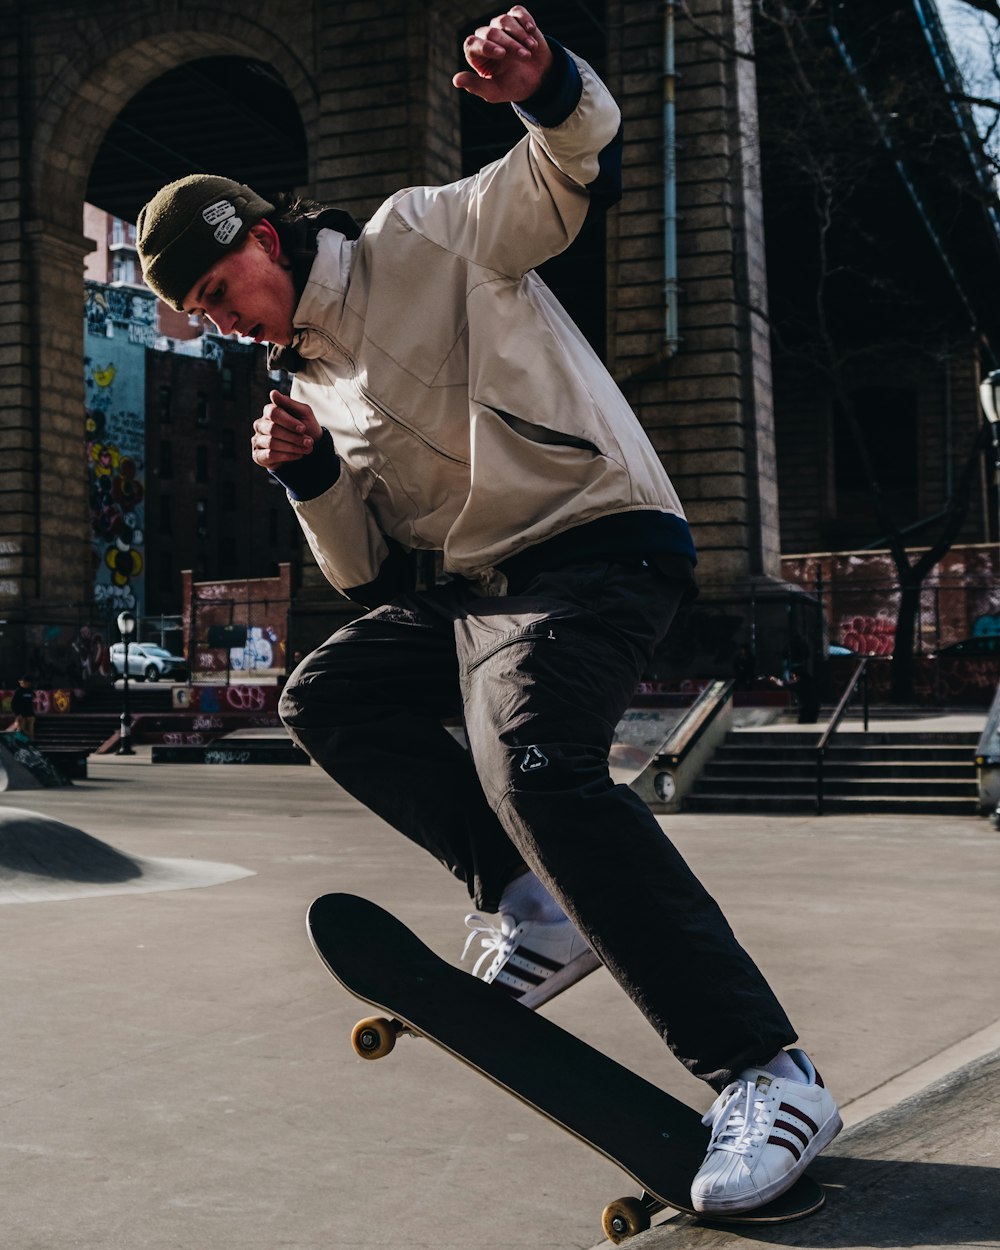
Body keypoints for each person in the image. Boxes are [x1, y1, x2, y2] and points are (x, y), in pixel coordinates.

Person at [136, 6, 840, 1212]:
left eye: (218, 286)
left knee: (534, 757)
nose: (219, 317)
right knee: (333, 691)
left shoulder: (423, 235)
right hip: (479, 591)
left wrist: (545, 86)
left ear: (262, 233)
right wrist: (310, 475)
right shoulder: (305, 379)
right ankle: (526, 904)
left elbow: (563, 175)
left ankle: (769, 1073)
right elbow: (366, 575)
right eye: (197, 312)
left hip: (599, 545)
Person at [10, 675, 36, 741]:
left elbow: (33, 700)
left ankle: (31, 744)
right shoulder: (18, 691)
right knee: (21, 730)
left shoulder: (30, 691)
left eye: (24, 682)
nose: (23, 683)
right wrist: (17, 714)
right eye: (22, 682)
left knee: (31, 730)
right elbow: (13, 703)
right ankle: (21, 743)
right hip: (21, 714)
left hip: (30, 714)